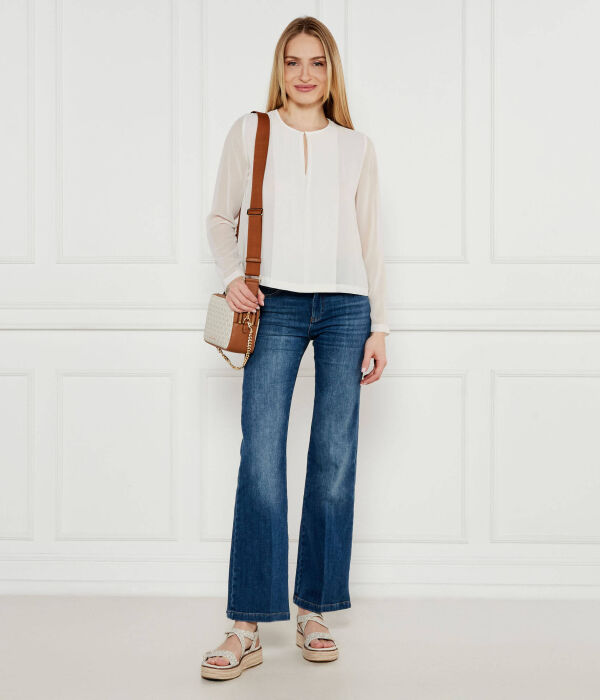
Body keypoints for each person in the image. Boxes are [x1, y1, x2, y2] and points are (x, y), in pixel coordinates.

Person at [201, 15, 389, 681]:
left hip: (346, 307)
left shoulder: (357, 146)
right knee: (261, 457)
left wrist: (381, 326)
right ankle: (246, 625)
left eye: (316, 62)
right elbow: (219, 218)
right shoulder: (252, 132)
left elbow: (370, 240)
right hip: (272, 304)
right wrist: (233, 276)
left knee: (333, 460)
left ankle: (314, 611)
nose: (304, 74)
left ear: (331, 72)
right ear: (279, 70)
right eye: (292, 62)